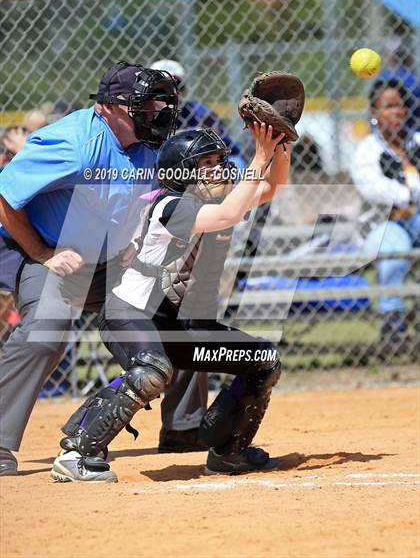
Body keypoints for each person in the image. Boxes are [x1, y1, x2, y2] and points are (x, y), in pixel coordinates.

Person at [50, 123, 290, 482]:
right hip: (129, 314)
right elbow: (230, 215)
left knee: (261, 361)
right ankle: (77, 452)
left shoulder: (215, 201)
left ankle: (229, 451)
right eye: (205, 162)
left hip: (179, 327)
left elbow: (272, 186)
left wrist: (280, 148)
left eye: (218, 160)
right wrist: (259, 155)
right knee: (151, 370)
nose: (218, 168)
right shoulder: (170, 206)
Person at [0, 61, 206, 477]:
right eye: (144, 106)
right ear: (110, 108)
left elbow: (150, 200)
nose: (157, 114)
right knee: (47, 331)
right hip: (39, 246)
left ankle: (184, 428)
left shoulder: (150, 145)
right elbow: (5, 196)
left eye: (160, 105)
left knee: (177, 314)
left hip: (103, 257)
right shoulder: (72, 143)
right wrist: (42, 254)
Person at [350, 78, 419, 341]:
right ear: (375, 113)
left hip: (415, 219)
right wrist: (409, 193)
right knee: (395, 244)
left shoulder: (416, 142)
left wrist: (407, 196)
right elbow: (375, 189)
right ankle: (393, 320)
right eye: (388, 106)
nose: (396, 112)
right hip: (380, 226)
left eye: (400, 106)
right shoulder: (367, 150)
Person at [151, 59, 247, 169]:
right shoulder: (145, 115)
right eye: (162, 88)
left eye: (177, 84)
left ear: (185, 89)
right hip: (169, 168)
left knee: (237, 164)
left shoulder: (198, 111)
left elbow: (221, 141)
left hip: (205, 163)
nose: (172, 92)